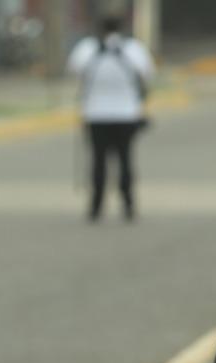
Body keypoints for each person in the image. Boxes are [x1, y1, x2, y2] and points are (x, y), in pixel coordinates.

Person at [66, 16, 155, 222]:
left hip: (96, 115)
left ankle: (96, 206)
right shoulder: (133, 49)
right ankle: (128, 205)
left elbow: (73, 71)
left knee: (98, 161)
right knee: (125, 159)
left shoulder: (87, 49)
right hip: (126, 114)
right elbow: (148, 73)